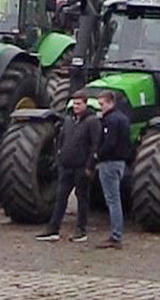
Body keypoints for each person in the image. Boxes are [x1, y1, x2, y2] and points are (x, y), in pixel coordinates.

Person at [37, 93, 101, 242]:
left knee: (82, 199)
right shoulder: (68, 121)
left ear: (86, 104)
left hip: (81, 167)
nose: (76, 106)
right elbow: (61, 140)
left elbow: (95, 146)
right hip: (66, 167)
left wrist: (89, 166)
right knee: (60, 198)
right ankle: (53, 229)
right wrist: (60, 158)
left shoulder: (92, 122)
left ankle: (81, 230)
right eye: (74, 103)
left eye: (79, 104)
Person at [94, 89, 132, 248]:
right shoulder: (123, 119)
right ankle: (116, 233)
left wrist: (98, 154)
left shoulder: (111, 120)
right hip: (120, 162)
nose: (100, 107)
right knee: (114, 199)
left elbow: (110, 143)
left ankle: (116, 235)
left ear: (110, 102)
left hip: (109, 163)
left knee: (112, 200)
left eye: (102, 104)